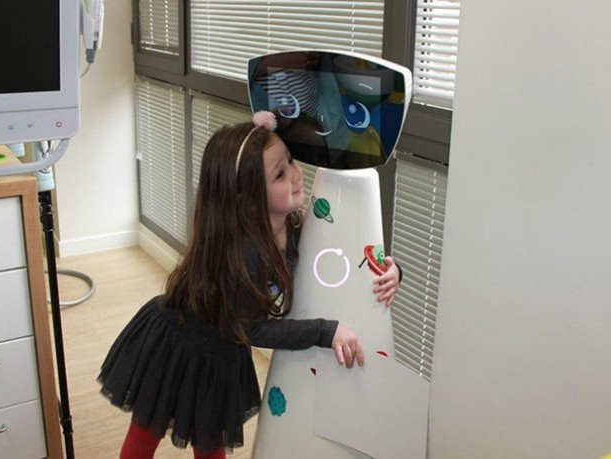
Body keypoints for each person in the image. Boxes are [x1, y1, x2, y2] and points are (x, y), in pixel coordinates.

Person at [97, 111, 401, 458]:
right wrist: (324, 331)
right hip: (176, 344)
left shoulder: (294, 227)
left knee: (209, 437)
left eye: (291, 161)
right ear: (248, 196)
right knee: (146, 431)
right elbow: (254, 330)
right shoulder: (243, 253)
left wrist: (390, 270)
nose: (298, 174)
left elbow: (343, 251)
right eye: (280, 173)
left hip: (221, 351)